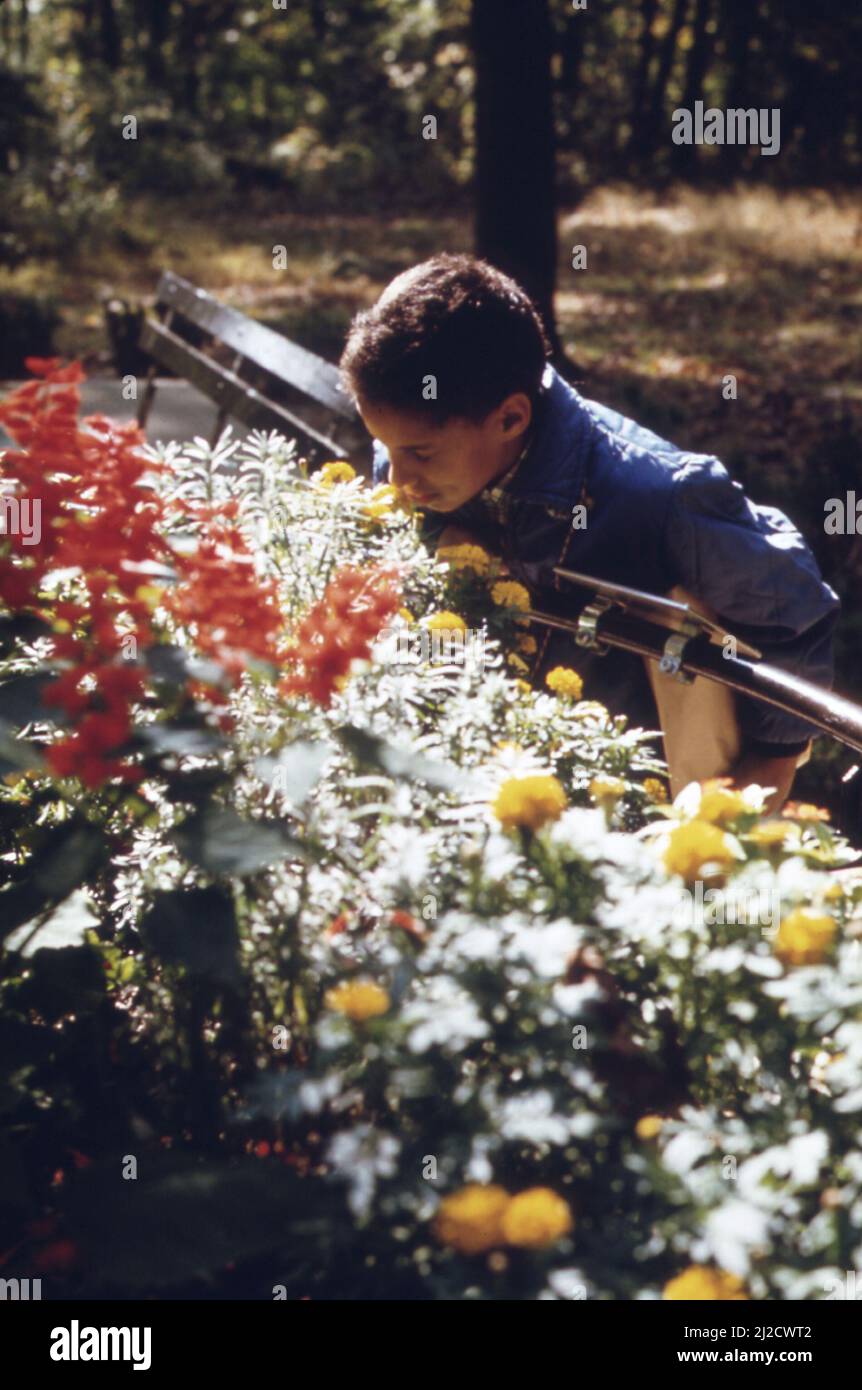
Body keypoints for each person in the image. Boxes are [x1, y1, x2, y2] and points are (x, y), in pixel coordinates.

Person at [339, 253, 840, 810]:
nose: (397, 478)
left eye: (418, 454)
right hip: (501, 761)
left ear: (511, 419)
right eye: (384, 447)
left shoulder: (656, 496)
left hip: (638, 788)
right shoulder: (429, 449)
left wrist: (773, 757)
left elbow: (794, 610)